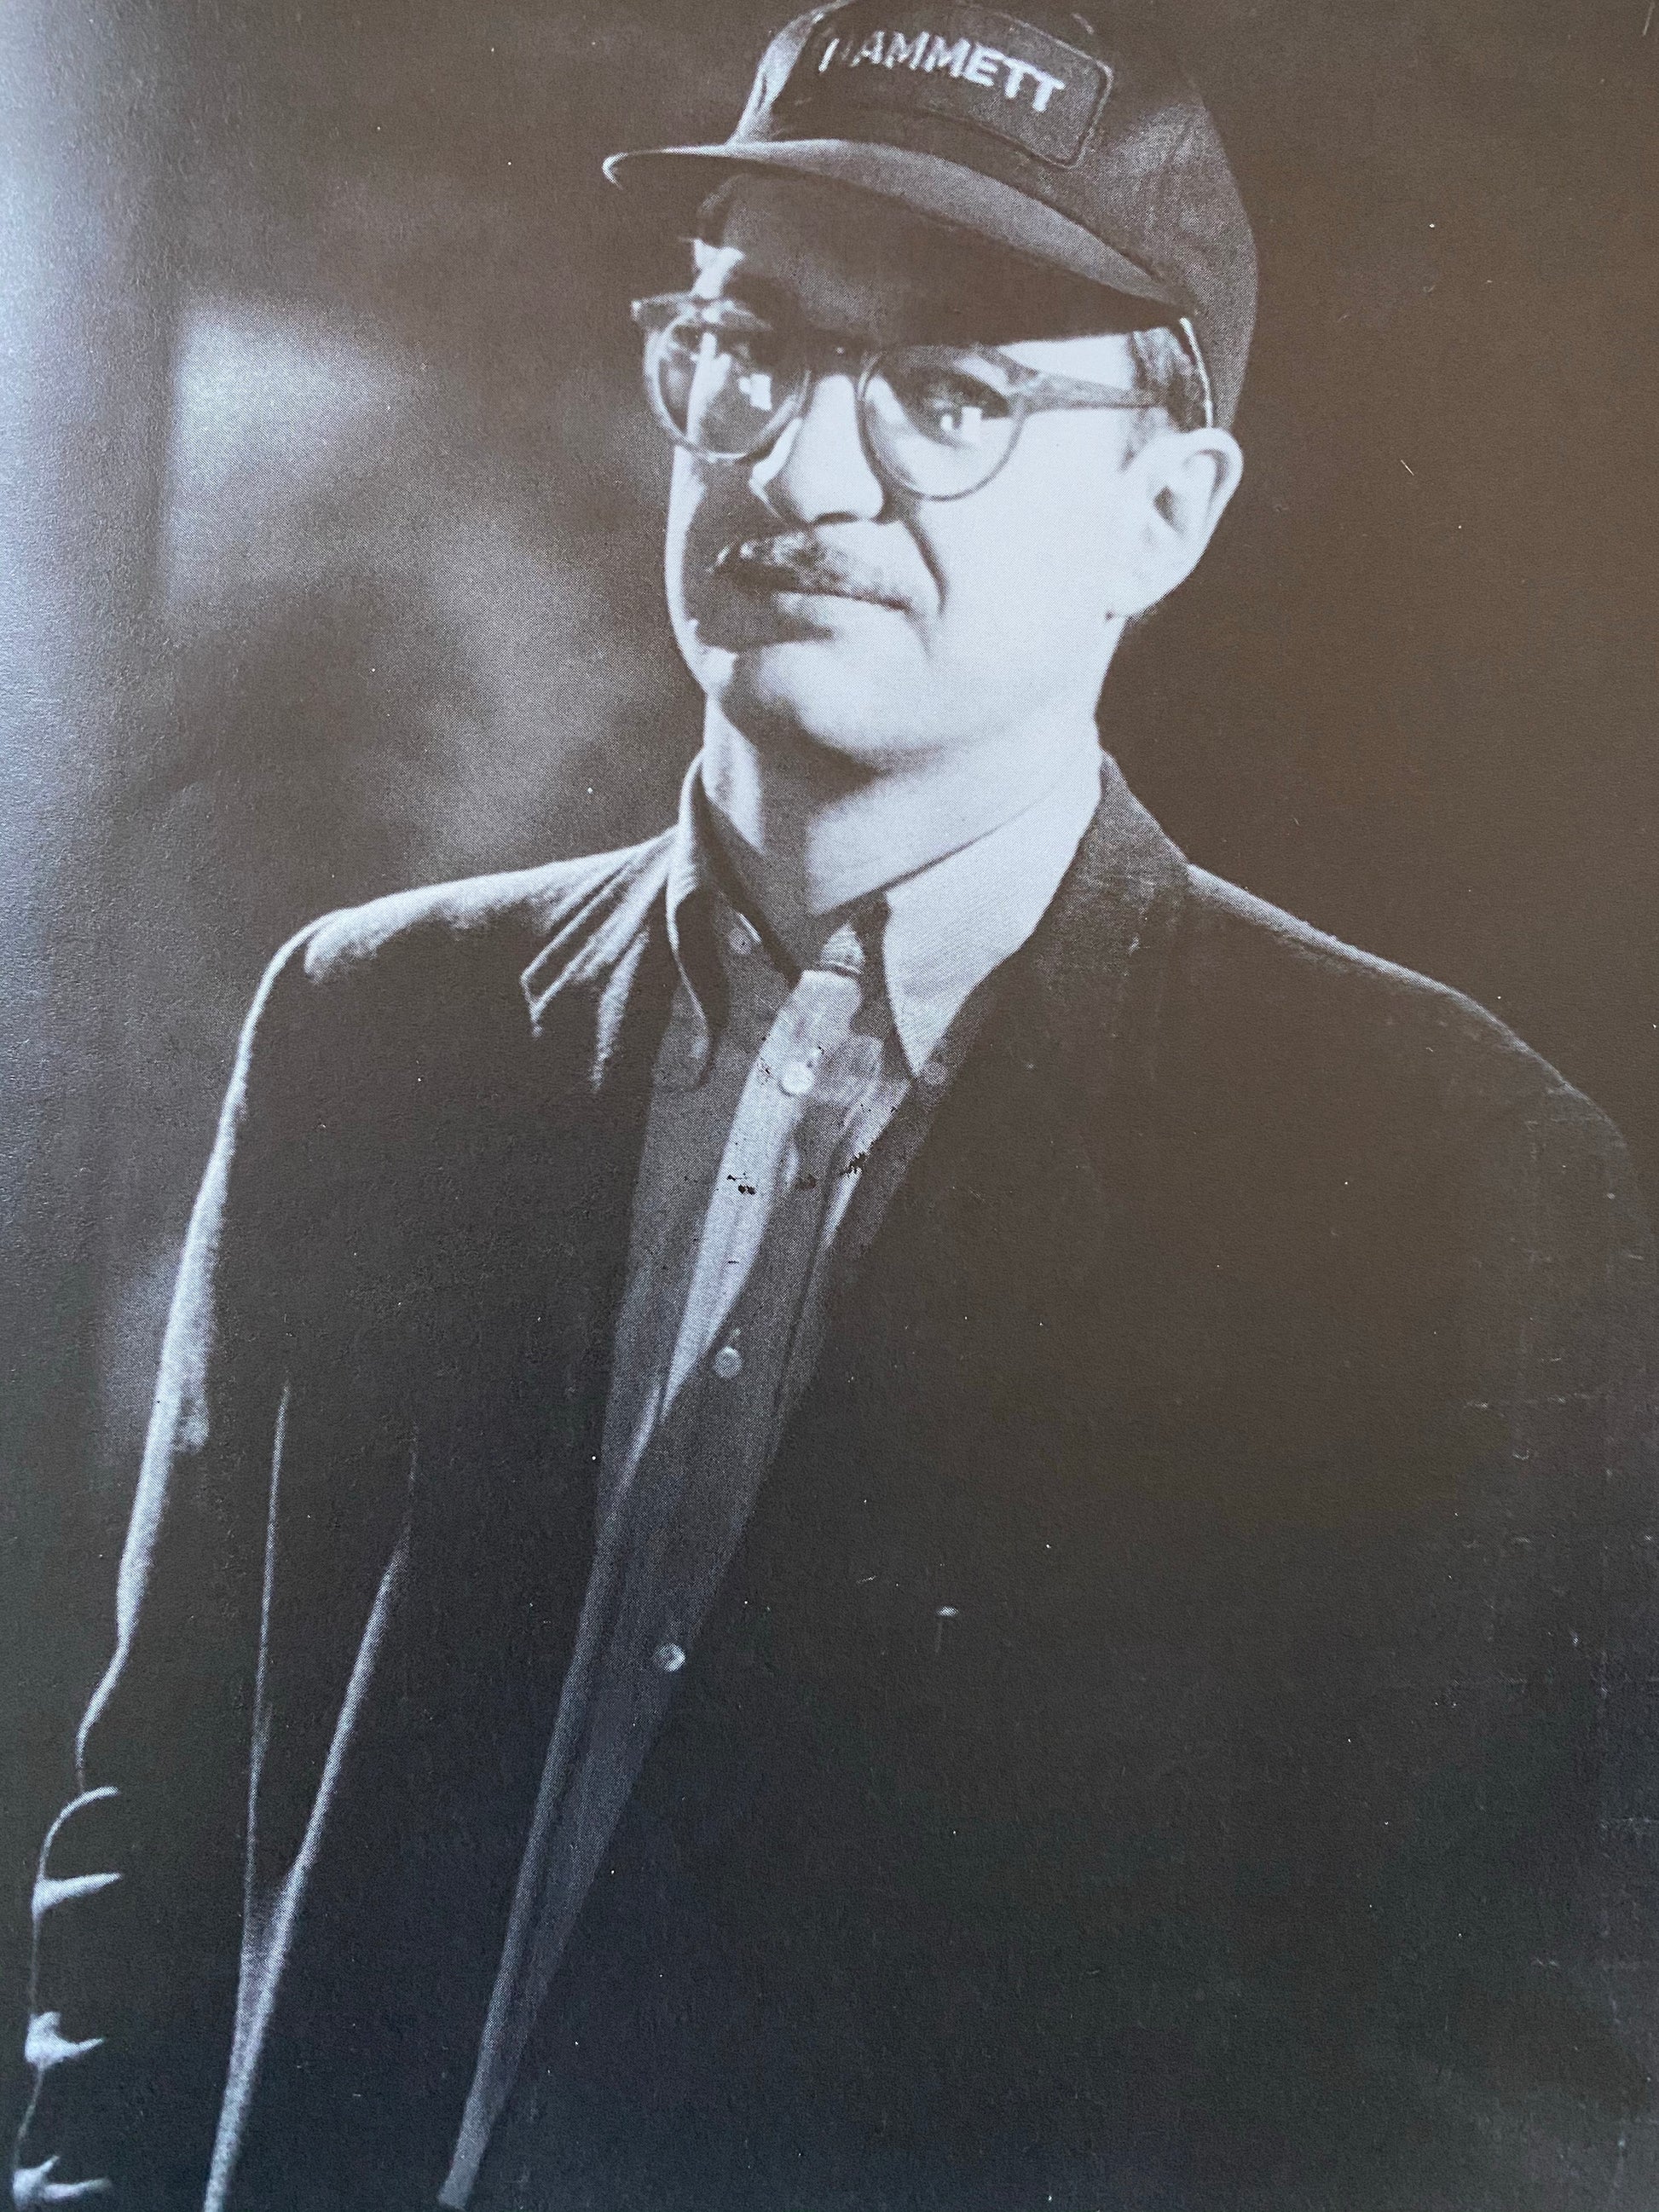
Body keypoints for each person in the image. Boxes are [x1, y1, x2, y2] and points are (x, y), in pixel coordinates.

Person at [14, 4, 1659, 2207]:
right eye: (747, 350)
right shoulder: (376, 1025)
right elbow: (154, 1850)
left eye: (952, 394)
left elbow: (1497, 2081)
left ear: (1163, 515)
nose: (799, 471)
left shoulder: (1443, 1181)